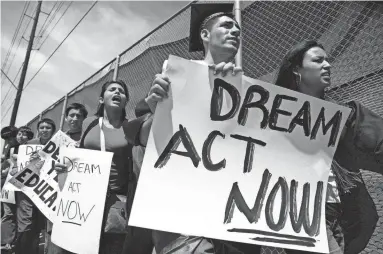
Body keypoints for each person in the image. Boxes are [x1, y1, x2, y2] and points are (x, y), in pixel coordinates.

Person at [125, 3, 262, 254]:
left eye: (238, 30)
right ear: (205, 35)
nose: (235, 32)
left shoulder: (251, 92)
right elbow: (145, 143)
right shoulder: (176, 77)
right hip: (181, 212)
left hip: (229, 210)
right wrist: (158, 112)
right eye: (227, 25)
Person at [274, 40, 381, 254]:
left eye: (328, 59)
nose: (328, 65)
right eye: (318, 60)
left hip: (335, 213)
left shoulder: (342, 117)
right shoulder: (273, 114)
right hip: (300, 214)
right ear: (297, 70)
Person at [54, 80, 149, 253]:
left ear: (126, 100)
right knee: (77, 246)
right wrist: (64, 167)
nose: (117, 92)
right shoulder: (88, 123)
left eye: (121, 91)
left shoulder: (131, 127)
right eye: (112, 89)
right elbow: (79, 155)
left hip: (116, 200)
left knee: (111, 246)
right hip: (85, 198)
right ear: (101, 99)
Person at [45, 103, 88, 254]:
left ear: (84, 119)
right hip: (57, 192)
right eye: (72, 115)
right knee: (54, 236)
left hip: (79, 193)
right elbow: (44, 164)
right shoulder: (58, 139)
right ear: (66, 118)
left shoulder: (88, 139)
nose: (75, 118)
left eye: (79, 116)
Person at [15, 118, 56, 254]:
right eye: (42, 127)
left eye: (48, 128)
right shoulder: (28, 145)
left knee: (39, 224)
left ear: (53, 131)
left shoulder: (57, 146)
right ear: (38, 130)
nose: (44, 130)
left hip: (45, 190)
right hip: (27, 188)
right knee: (26, 223)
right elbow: (19, 164)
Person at [1, 126, 34, 252]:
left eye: (24, 134)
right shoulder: (11, 149)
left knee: (22, 215)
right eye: (19, 134)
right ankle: (5, 243)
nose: (21, 136)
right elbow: (6, 169)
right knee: (8, 213)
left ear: (30, 137)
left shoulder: (33, 149)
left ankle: (19, 242)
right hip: (9, 186)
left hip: (23, 187)